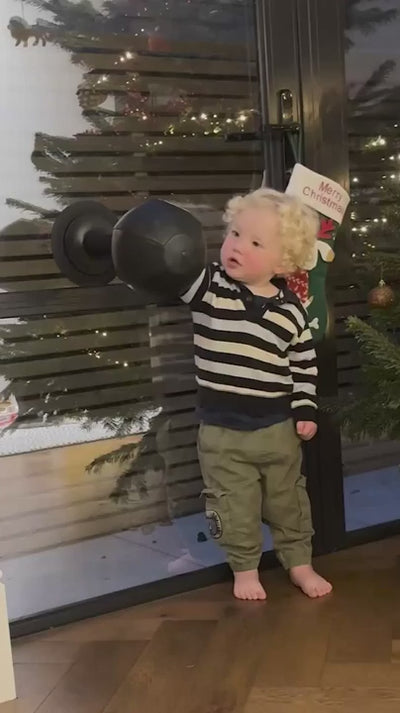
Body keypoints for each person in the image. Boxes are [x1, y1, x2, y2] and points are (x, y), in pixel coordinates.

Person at [180, 187, 333, 601]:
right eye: (234, 234)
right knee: (233, 503)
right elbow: (169, 271)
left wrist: (305, 410)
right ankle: (245, 569)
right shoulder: (207, 286)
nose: (237, 246)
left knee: (288, 499)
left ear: (282, 261)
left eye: (255, 243)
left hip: (277, 429)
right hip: (221, 431)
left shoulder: (291, 310)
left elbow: (303, 365)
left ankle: (299, 563)